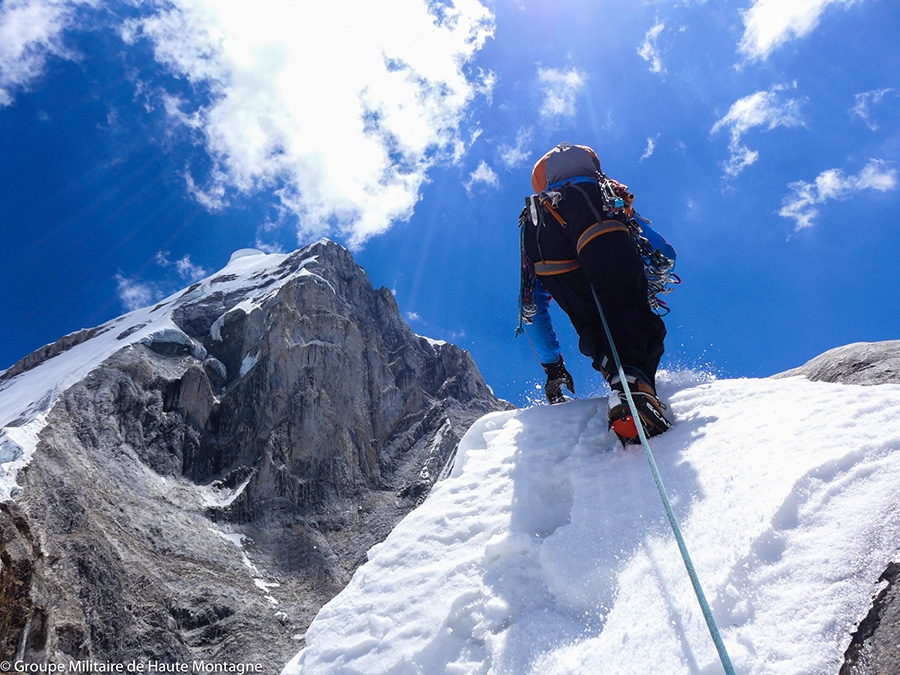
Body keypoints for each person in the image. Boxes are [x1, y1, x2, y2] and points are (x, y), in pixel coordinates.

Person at [519, 142, 672, 442]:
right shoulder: (605, 193)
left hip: (546, 243)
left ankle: (622, 386)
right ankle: (634, 392)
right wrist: (650, 271)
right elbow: (664, 253)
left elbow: (531, 306)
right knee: (625, 300)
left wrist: (553, 368)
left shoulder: (535, 218)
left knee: (592, 320)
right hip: (597, 220)